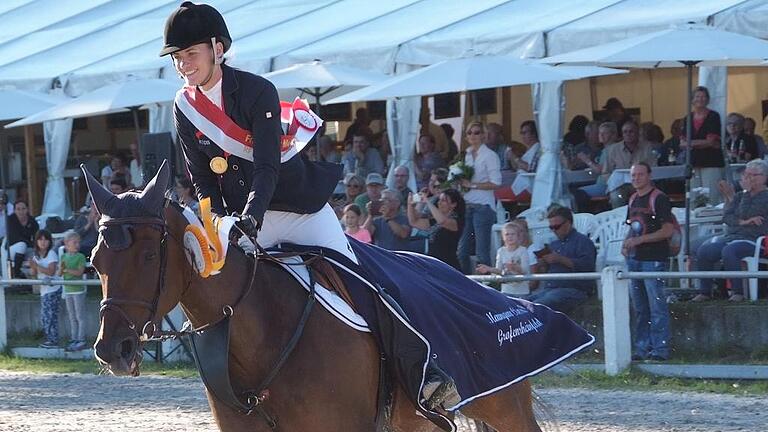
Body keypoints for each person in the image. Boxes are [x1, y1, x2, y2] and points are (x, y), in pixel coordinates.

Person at [162, 2, 457, 415]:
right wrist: (216, 223)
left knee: (361, 282)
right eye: (177, 58)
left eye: (189, 54)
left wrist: (251, 216)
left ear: (218, 48)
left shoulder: (255, 90)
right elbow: (201, 179)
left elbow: (266, 165)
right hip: (240, 223)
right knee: (219, 295)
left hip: (297, 212)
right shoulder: (183, 105)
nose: (183, 65)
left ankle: (426, 374)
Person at [693, 159, 768, 302]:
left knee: (730, 251)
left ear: (764, 177)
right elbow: (727, 217)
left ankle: (737, 292)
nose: (748, 179)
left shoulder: (763, 197)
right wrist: (744, 221)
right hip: (734, 236)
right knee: (705, 250)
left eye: (753, 175)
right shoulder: (740, 196)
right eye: (746, 175)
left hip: (756, 240)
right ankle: (705, 292)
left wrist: (746, 195)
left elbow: (747, 211)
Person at [622, 163, 674, 361]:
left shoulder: (658, 198)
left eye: (640, 174)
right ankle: (642, 348)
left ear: (649, 176)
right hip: (635, 257)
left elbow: (667, 230)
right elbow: (631, 226)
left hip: (653, 258)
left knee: (656, 306)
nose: (636, 178)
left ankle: (660, 349)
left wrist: (640, 240)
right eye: (633, 175)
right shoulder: (633, 198)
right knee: (641, 308)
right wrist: (626, 242)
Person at [526, 206, 596, 314]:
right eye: (551, 227)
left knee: (537, 306)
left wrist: (560, 259)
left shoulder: (583, 242)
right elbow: (546, 271)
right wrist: (543, 263)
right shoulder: (554, 244)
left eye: (557, 226)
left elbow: (587, 267)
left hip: (574, 289)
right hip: (551, 289)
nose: (554, 230)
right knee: (521, 304)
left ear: (568, 223)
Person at [457, 121, 502, 274]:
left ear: (483, 135)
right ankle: (467, 284)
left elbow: (496, 183)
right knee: (461, 251)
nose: (473, 136)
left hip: (483, 207)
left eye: (477, 132)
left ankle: (488, 286)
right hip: (467, 204)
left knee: (482, 252)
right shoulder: (467, 155)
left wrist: (472, 185)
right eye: (469, 133)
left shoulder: (490, 155)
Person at [680, 86, 723, 205]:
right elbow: (682, 144)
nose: (701, 99)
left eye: (704, 96)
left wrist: (691, 143)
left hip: (711, 162)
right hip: (693, 162)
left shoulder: (713, 116)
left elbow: (711, 141)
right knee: (694, 197)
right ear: (692, 99)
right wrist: (703, 142)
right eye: (698, 96)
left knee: (711, 196)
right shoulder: (687, 118)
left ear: (708, 99)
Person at [601, 120, 657, 208]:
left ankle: (644, 217)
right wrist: (613, 180)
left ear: (638, 133)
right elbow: (605, 172)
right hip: (620, 186)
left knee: (647, 194)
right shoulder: (613, 150)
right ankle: (620, 219)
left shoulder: (647, 148)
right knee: (616, 197)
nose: (628, 134)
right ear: (622, 134)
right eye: (625, 132)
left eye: (631, 131)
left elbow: (653, 169)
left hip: (642, 184)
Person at [406, 189, 464, 270]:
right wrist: (410, 205)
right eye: (439, 200)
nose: (439, 203)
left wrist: (428, 201)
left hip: (449, 265)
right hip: (434, 264)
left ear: (453, 204)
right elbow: (413, 222)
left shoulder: (456, 221)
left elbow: (443, 221)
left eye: (443, 200)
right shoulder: (434, 221)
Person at [476, 221, 531, 296]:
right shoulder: (501, 251)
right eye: (507, 234)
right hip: (506, 291)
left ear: (518, 236)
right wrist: (488, 269)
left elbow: (525, 271)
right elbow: (499, 270)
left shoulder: (523, 250)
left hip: (521, 292)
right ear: (503, 237)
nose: (510, 237)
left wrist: (515, 268)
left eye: (513, 234)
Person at [29, 230, 60, 349]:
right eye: (40, 239)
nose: (43, 242)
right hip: (44, 290)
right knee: (45, 316)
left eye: (45, 239)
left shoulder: (51, 253)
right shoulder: (35, 256)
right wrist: (32, 267)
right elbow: (33, 274)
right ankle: (49, 339)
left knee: (50, 316)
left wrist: (36, 266)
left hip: (53, 289)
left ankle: (53, 340)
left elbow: (51, 271)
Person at [59, 230, 88, 352]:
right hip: (68, 290)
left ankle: (81, 339)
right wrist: (63, 270)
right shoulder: (63, 257)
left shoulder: (80, 257)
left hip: (78, 290)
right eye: (74, 242)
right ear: (67, 244)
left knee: (79, 316)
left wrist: (67, 270)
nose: (77, 245)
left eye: (78, 242)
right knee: (72, 316)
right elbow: (60, 272)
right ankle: (74, 337)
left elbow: (79, 272)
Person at [7, 199, 39, 278]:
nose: (21, 211)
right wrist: (30, 244)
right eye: (18, 209)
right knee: (22, 245)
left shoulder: (32, 220)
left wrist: (35, 246)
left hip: (27, 248)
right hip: (11, 249)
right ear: (14, 210)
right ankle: (16, 273)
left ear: (27, 209)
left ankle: (35, 278)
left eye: (23, 209)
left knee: (38, 254)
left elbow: (37, 235)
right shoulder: (10, 220)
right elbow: (15, 237)